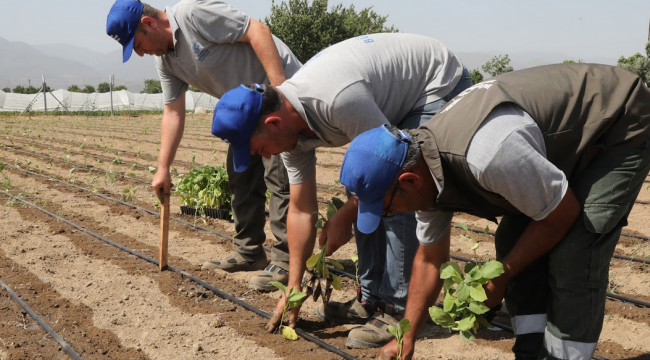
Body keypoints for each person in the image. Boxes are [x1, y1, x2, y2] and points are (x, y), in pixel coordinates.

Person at [339, 64, 650, 359]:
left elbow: (562, 213)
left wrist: (502, 275)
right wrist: (407, 336)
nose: (388, 216)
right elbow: (429, 259)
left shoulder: (487, 155)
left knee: (575, 253)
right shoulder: (423, 172)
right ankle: (529, 353)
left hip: (618, 121)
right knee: (514, 239)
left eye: (387, 209)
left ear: (408, 181)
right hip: (555, 142)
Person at [210, 32, 473, 348]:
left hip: (433, 83)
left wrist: (345, 215)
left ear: (275, 123)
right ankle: (372, 299)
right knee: (362, 193)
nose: (264, 156)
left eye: (260, 148)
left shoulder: (337, 100)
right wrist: (293, 288)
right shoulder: (288, 137)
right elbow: (300, 209)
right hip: (389, 97)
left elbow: (387, 168)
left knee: (396, 193)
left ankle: (399, 310)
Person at [106, 0, 302, 291]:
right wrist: (163, 167)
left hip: (276, 99)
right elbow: (173, 112)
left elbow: (258, 31)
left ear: (149, 24)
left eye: (137, 44)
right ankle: (250, 252)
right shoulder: (166, 61)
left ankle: (287, 261)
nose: (140, 53)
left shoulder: (194, 14)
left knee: (280, 180)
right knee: (240, 176)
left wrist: (282, 92)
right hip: (244, 112)